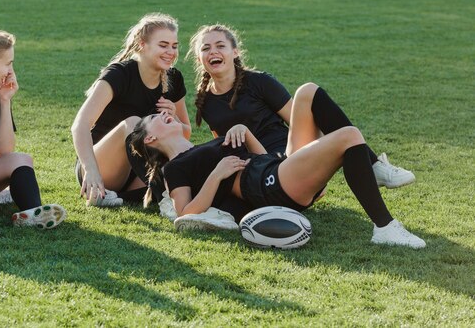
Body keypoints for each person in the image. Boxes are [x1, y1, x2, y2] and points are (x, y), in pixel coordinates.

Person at [130, 83, 426, 248]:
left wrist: (245, 133)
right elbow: (184, 212)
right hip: (266, 187)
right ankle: (385, 227)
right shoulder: (175, 168)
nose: (166, 114)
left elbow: (259, 158)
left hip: (274, 169)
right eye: (156, 117)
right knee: (348, 136)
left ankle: (372, 167)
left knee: (308, 92)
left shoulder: (202, 146)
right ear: (152, 136)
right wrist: (217, 175)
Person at [187, 24, 415, 189]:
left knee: (310, 94)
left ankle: (373, 165)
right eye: (206, 48)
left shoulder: (260, 82)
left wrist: (327, 157)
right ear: (199, 58)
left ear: (234, 52)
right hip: (260, 170)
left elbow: (302, 122)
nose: (213, 51)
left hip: (290, 154)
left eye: (220, 45)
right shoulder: (204, 101)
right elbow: (226, 143)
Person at [71, 13, 191, 207]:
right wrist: (91, 170)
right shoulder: (120, 74)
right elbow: (80, 125)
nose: (171, 51)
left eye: (174, 46)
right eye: (163, 45)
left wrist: (174, 119)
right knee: (134, 124)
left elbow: (185, 133)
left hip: (141, 175)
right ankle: (165, 195)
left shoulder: (174, 78)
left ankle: (125, 198)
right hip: (102, 168)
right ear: (142, 44)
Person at [0, 29, 65, 229]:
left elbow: (4, 150)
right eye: (7, 64)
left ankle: (32, 214)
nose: (10, 71)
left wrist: (5, 100)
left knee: (21, 159)